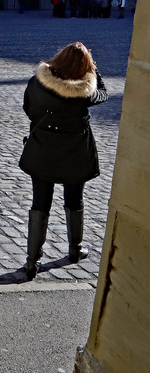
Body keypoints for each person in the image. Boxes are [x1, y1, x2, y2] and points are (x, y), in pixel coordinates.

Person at [18, 41, 108, 280]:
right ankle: (75, 250)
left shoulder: (37, 83)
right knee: (74, 200)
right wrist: (94, 70)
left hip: (42, 151)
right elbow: (104, 93)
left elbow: (28, 109)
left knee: (40, 203)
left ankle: (31, 262)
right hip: (75, 154)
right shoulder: (84, 94)